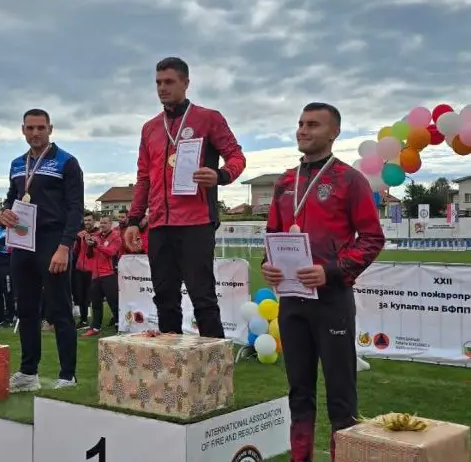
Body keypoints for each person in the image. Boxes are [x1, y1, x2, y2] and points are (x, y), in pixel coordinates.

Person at [260, 102, 385, 462]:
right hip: (292, 302)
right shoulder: (285, 181)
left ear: (334, 132)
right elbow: (272, 235)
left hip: (332, 302)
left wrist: (330, 271)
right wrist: (268, 264)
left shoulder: (349, 180)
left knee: (341, 397)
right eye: (301, 123)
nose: (303, 130)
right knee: (299, 393)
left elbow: (372, 238)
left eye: (313, 124)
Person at [124, 56, 246, 338]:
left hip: (196, 222)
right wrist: (133, 220)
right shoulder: (150, 128)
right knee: (164, 299)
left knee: (203, 298)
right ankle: (170, 361)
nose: (162, 88)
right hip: (159, 224)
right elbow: (143, 178)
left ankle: (214, 361)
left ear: (186, 83)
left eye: (169, 82)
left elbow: (236, 156)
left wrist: (221, 175)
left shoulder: (208, 118)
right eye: (158, 83)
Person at [0, 108, 83, 392]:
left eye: (40, 128)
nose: (35, 133)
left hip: (52, 240)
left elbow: (75, 209)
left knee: (59, 310)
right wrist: (3, 213)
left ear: (50, 129)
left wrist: (64, 247)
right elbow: (12, 198)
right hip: (23, 241)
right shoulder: (16, 164)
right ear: (23, 130)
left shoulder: (66, 162)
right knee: (25, 309)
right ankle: (28, 372)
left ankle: (68, 375)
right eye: (30, 128)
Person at [81, 215, 121, 337]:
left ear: (111, 224)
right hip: (95, 274)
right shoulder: (96, 236)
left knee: (114, 302)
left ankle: (119, 326)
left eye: (105, 223)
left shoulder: (116, 237)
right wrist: (88, 244)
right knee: (96, 303)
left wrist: (96, 245)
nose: (102, 225)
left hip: (109, 273)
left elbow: (111, 252)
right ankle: (95, 328)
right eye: (101, 223)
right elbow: (89, 255)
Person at [73, 212, 98, 329]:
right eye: (86, 220)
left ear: (94, 221)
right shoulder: (80, 234)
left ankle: (95, 322)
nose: (87, 222)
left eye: (89, 220)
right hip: (80, 268)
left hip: (92, 269)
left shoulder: (97, 233)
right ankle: (83, 320)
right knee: (80, 294)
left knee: (91, 296)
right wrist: (77, 239)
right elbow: (75, 251)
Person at [0, 221, 15, 326]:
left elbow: (10, 249)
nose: (0, 219)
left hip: (6, 265)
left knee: (8, 292)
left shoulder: (13, 230)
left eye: (2, 216)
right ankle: (0, 317)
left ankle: (10, 317)